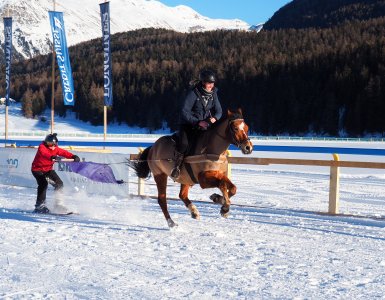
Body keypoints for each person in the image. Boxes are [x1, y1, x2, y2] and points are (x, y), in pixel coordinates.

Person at [171, 69, 223, 180]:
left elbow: (219, 111)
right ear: (203, 82)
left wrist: (214, 118)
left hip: (204, 125)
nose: (211, 86)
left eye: (212, 83)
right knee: (184, 144)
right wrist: (198, 121)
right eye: (209, 83)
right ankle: (177, 167)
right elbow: (184, 111)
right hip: (188, 124)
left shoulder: (214, 94)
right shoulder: (193, 93)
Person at [31, 133, 80, 213]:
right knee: (43, 184)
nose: (52, 146)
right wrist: (52, 157)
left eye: (54, 144)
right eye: (50, 144)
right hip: (37, 169)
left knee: (59, 184)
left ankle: (58, 205)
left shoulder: (55, 148)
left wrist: (73, 156)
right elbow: (44, 154)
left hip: (48, 170)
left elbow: (64, 153)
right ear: (46, 142)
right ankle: (39, 206)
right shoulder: (42, 147)